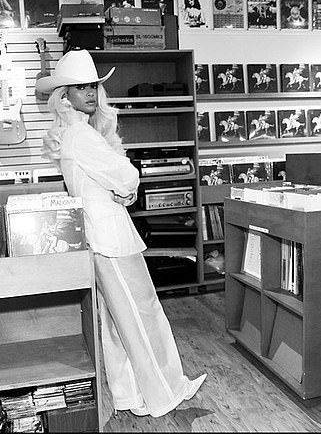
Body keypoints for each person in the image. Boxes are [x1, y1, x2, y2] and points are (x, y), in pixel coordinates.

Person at [35, 50, 206, 418]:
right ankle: (166, 392)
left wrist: (124, 187)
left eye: (94, 86)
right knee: (142, 316)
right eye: (81, 88)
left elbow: (119, 184)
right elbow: (127, 177)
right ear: (64, 96)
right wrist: (126, 185)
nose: (91, 94)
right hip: (110, 237)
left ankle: (132, 396)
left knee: (117, 323)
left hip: (101, 237)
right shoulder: (82, 135)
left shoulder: (74, 134)